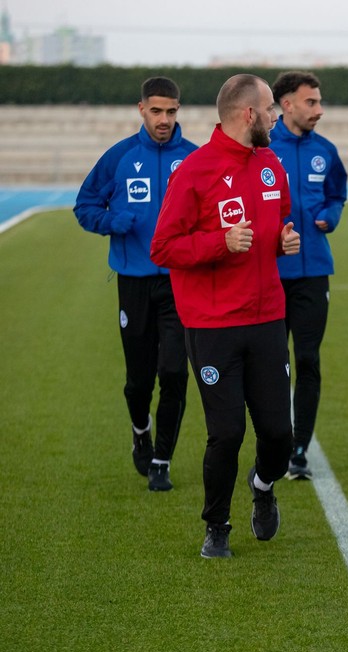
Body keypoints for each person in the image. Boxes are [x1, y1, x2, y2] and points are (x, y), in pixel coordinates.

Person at [150, 74, 301, 559]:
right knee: (227, 432)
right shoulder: (194, 171)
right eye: (271, 109)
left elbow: (275, 227)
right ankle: (217, 525)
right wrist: (219, 241)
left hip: (267, 319)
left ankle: (262, 485)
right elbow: (163, 247)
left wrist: (282, 243)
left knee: (280, 434)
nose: (278, 116)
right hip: (213, 325)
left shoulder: (271, 164)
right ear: (248, 115)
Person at [74, 76, 197, 492]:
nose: (165, 119)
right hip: (134, 283)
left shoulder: (196, 159)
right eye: (157, 111)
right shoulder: (119, 157)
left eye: (172, 111)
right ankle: (140, 430)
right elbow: (85, 205)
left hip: (181, 283)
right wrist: (113, 222)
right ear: (141, 109)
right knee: (138, 381)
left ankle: (162, 458)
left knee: (175, 373)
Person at [269, 71, 348, 480]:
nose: (319, 109)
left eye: (319, 101)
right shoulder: (262, 151)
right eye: (311, 102)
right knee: (272, 364)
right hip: (269, 274)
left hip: (315, 270)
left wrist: (330, 215)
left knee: (307, 359)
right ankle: (275, 443)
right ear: (286, 105)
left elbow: (337, 192)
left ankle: (299, 449)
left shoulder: (326, 151)